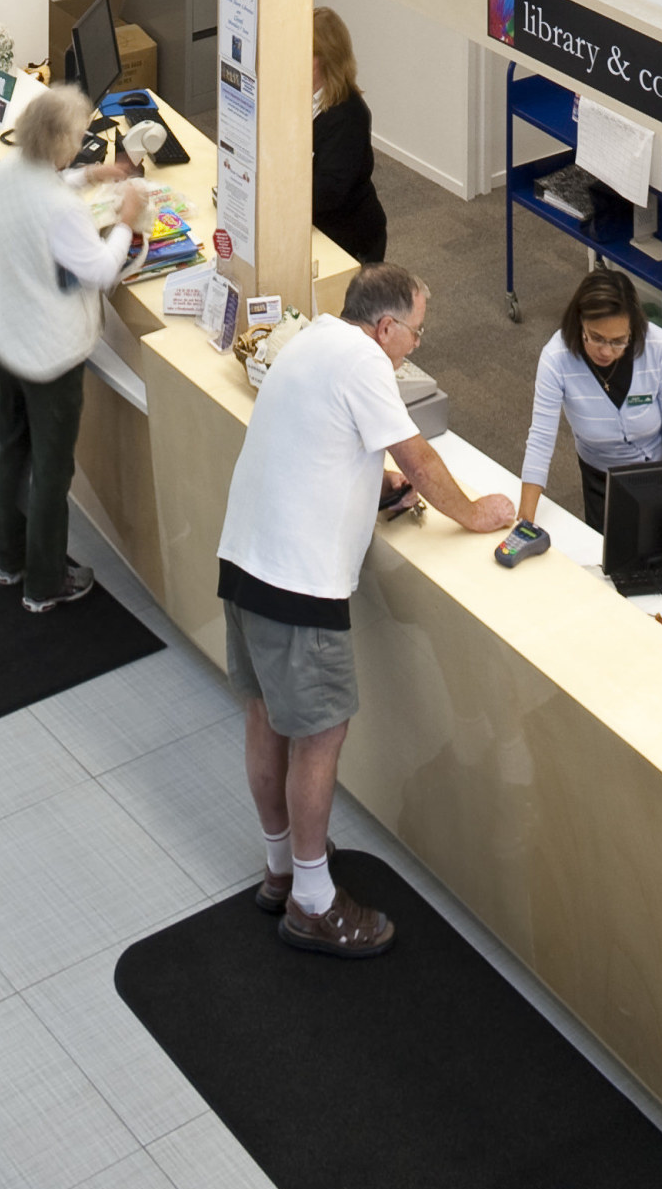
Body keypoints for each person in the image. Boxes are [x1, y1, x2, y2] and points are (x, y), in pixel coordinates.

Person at [217, 262, 514, 958]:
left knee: (265, 717)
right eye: (415, 332)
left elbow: (318, 443)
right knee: (320, 735)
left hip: (244, 561)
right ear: (385, 327)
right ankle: (314, 905)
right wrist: (473, 513)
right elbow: (420, 460)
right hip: (299, 583)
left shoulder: (311, 341)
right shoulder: (368, 365)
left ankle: (280, 868)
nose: (415, 345)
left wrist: (369, 490)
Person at [0, 79, 154, 613]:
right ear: (58, 140)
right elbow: (102, 271)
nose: (82, 146)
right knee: (52, 474)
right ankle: (45, 584)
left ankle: (9, 562)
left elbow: (49, 185)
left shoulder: (9, 172)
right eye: (79, 140)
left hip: (7, 339)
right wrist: (125, 223)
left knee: (13, 454)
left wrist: (92, 176)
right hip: (51, 356)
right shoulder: (62, 211)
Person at [516, 263, 662, 533]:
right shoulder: (556, 359)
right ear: (580, 321)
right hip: (600, 479)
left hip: (659, 475)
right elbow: (540, 441)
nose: (606, 352)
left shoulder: (659, 347)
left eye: (618, 341)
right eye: (596, 338)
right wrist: (524, 520)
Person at [310, 6, 386, 266]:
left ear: (328, 59)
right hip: (313, 220)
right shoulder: (297, 95)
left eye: (307, 54)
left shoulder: (349, 116)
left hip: (347, 235)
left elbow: (327, 193)